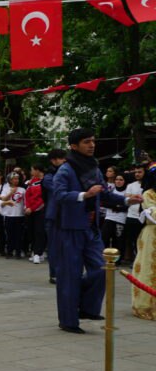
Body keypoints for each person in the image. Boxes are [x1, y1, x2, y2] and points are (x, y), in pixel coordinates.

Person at [51, 129, 140, 334]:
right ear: (74, 146)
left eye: (93, 141)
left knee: (103, 269)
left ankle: (87, 308)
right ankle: (68, 320)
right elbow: (59, 194)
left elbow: (106, 195)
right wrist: (84, 194)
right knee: (70, 276)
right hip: (69, 229)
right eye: (86, 142)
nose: (92, 145)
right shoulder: (66, 170)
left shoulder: (94, 168)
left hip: (91, 230)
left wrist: (127, 200)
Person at [131, 163, 156, 320]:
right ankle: (146, 305)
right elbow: (154, 215)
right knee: (148, 268)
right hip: (152, 237)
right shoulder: (148, 194)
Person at [43, 149, 67, 284]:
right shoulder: (48, 177)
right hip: (53, 216)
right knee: (54, 247)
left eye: (64, 158)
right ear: (53, 160)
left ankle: (64, 272)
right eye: (61, 159)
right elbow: (59, 189)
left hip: (66, 216)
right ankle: (54, 273)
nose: (64, 161)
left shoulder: (67, 173)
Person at [0, 172, 26, 259]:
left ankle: (18, 251)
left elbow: (25, 201)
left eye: (17, 179)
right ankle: (9, 251)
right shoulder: (6, 189)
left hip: (20, 215)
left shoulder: (22, 190)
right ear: (10, 180)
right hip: (9, 215)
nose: (16, 180)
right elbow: (3, 199)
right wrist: (11, 193)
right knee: (9, 234)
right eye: (14, 179)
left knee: (19, 234)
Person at [124, 165, 147, 266]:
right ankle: (135, 260)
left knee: (143, 239)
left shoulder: (148, 185)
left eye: (140, 172)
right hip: (131, 216)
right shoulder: (131, 185)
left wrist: (132, 196)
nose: (137, 174)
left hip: (144, 217)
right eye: (136, 172)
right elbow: (126, 196)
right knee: (132, 239)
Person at [24, 165, 46, 264]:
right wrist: (27, 207)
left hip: (40, 210)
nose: (31, 171)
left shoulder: (45, 181)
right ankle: (35, 251)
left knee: (39, 231)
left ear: (37, 170)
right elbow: (27, 195)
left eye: (32, 170)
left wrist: (32, 208)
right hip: (30, 210)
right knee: (31, 231)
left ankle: (38, 253)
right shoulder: (31, 181)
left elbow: (43, 197)